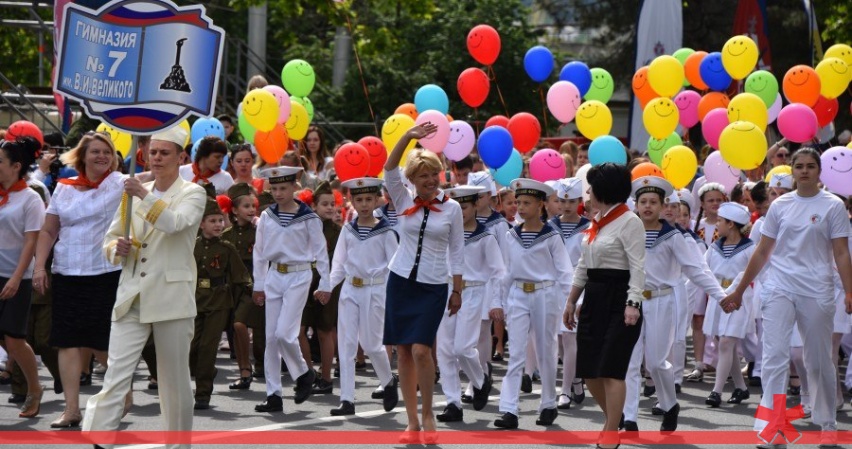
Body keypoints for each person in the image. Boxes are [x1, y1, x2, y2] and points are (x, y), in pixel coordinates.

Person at [81, 126, 206, 449]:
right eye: (153, 152)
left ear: (181, 157)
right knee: (116, 374)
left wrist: (143, 195)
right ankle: (99, 439)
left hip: (172, 297)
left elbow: (175, 224)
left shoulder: (193, 192)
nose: (157, 158)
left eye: (165, 153)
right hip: (132, 294)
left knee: (174, 382)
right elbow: (108, 241)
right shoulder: (135, 190)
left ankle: (178, 445)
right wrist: (116, 249)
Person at [720, 148, 852, 448]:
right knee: (775, 358)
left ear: (819, 171)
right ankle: (775, 427)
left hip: (817, 289)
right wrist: (739, 290)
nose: (804, 171)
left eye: (810, 166)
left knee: (818, 361)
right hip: (779, 287)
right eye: (799, 166)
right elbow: (763, 251)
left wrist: (849, 290)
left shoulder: (832, 207)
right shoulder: (780, 206)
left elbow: (842, 252)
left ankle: (828, 423)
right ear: (792, 171)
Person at [31, 131, 125, 428]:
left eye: (107, 151)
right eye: (95, 151)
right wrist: (39, 267)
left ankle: (122, 393)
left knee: (102, 342)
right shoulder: (64, 188)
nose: (102, 156)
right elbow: (48, 231)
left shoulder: (121, 184)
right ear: (82, 157)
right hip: (67, 272)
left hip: (105, 272)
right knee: (68, 341)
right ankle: (72, 410)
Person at [623, 176, 726, 432]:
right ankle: (629, 416)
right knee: (630, 361)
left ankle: (669, 404)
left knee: (657, 362)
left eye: (653, 202)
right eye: (643, 201)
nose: (647, 206)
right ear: (635, 205)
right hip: (632, 302)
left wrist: (721, 296)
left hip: (662, 300)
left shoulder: (673, 236)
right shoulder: (627, 231)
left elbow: (695, 269)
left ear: (663, 206)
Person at [383, 123, 464, 444]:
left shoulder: (453, 208)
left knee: (420, 350)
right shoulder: (402, 198)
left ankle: (429, 412)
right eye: (423, 175)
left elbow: (457, 252)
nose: (430, 180)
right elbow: (390, 168)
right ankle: (412, 421)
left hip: (433, 285)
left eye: (434, 174)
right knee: (402, 352)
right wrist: (408, 137)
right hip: (400, 281)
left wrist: (457, 289)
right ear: (413, 180)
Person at [563, 163, 644, 449]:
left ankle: (610, 433)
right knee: (589, 370)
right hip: (594, 297)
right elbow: (583, 266)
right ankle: (614, 418)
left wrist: (633, 303)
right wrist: (572, 300)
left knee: (611, 368)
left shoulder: (629, 221)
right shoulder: (596, 222)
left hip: (620, 298)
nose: (588, 192)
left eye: (592, 187)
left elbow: (638, 267)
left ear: (604, 190)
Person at [494, 179, 574, 429]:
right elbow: (505, 271)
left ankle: (548, 403)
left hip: (544, 295)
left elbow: (564, 272)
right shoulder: (511, 235)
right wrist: (498, 300)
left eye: (527, 203)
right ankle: (509, 409)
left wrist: (570, 302)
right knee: (516, 352)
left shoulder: (551, 236)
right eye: (518, 202)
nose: (521, 207)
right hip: (519, 294)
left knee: (545, 351)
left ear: (541, 205)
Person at [252, 166, 330, 413]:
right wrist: (259, 283)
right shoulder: (267, 216)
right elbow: (260, 251)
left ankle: (303, 374)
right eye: (273, 188)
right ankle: (273, 394)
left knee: (286, 333)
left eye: (283, 188)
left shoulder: (309, 217)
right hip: (275, 274)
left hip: (299, 275)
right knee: (271, 338)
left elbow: (321, 253)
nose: (277, 193)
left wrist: (326, 283)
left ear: (295, 187)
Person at [328, 177, 399, 416]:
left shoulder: (386, 230)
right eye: (359, 200)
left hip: (375, 289)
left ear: (377, 199)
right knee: (346, 346)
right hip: (350, 289)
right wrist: (326, 287)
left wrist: (392, 296)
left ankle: (388, 380)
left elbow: (393, 266)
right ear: (352, 201)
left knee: (371, 345)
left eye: (369, 199)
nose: (365, 204)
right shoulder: (348, 230)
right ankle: (346, 399)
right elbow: (338, 263)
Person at [436, 185, 503, 422]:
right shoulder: (444, 234)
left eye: (464, 207)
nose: (460, 212)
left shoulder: (485, 236)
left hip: (473, 293)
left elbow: (497, 272)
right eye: (456, 207)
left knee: (463, 348)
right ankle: (452, 402)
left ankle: (480, 379)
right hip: (445, 292)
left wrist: (495, 302)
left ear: (475, 206)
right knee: (445, 350)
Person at [190, 198, 251, 410]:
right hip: (194, 300)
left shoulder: (227, 248)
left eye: (220, 220)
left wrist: (255, 293)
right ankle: (205, 371)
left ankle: (203, 393)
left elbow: (241, 277)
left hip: (219, 302)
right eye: (212, 221)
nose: (218, 225)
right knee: (191, 347)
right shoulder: (192, 246)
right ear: (201, 223)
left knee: (207, 347)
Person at [0, 137, 46, 418]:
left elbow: (31, 243)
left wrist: (17, 278)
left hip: (16, 277)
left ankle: (34, 387)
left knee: (14, 339)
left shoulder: (30, 198)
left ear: (16, 166)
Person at [702, 202, 754, 408]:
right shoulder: (715, 248)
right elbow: (702, 270)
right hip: (718, 297)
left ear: (731, 224)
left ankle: (716, 391)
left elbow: (755, 273)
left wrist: (734, 290)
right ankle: (740, 388)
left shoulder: (750, 248)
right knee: (725, 343)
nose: (717, 225)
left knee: (725, 342)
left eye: (721, 221)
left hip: (739, 298)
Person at [297, 182, 341, 395]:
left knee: (324, 331)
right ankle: (308, 371)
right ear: (314, 206)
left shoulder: (339, 231)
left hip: (328, 284)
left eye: (333, 204)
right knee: (299, 330)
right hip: (304, 282)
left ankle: (326, 377)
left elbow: (338, 261)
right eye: (324, 204)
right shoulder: (305, 226)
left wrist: (328, 284)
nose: (330, 208)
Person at [550, 178, 590, 410]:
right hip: (554, 286)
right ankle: (575, 377)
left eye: (571, 201)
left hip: (577, 285)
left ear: (579, 201)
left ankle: (564, 391)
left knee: (569, 336)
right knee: (560, 340)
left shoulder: (589, 226)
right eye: (562, 201)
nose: (566, 206)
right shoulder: (551, 225)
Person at [221, 183, 263, 390]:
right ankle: (244, 371)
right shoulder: (226, 235)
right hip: (232, 287)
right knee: (235, 327)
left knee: (241, 324)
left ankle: (251, 366)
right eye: (246, 206)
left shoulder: (259, 231)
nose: (251, 210)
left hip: (253, 284)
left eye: (252, 205)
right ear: (234, 210)